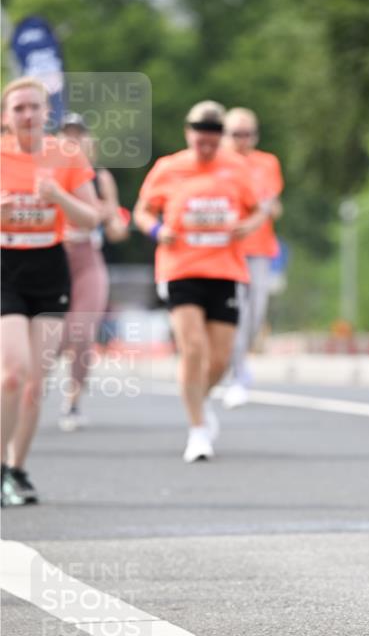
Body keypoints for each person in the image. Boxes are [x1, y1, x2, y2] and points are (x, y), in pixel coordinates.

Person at [133, 101, 265, 462]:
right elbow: (142, 210)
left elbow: (258, 210)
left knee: (220, 359)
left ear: (220, 138)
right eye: (198, 138)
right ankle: (197, 431)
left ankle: (200, 401)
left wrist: (247, 227)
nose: (204, 146)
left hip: (225, 270)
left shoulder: (237, 168)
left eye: (212, 140)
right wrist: (157, 230)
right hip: (180, 268)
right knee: (193, 348)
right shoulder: (169, 168)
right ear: (187, 134)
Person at [1, 78, 100, 506]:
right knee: (10, 373)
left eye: (33, 108)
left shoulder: (67, 155)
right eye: (18, 108)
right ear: (6, 116)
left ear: (47, 114)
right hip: (4, 267)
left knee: (35, 385)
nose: (26, 115)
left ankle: (16, 470)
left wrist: (59, 194)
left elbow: (93, 217)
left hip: (49, 269)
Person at [58, 113, 130, 430]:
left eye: (79, 135)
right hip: (53, 259)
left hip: (89, 259)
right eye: (67, 135)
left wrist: (110, 218)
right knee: (52, 338)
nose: (73, 141)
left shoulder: (100, 178)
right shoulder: (45, 175)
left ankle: (73, 401)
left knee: (83, 333)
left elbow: (116, 228)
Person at [221, 108, 283, 409]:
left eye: (247, 134)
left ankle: (238, 364)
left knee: (256, 313)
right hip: (226, 250)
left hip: (259, 249)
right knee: (238, 313)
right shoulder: (217, 163)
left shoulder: (266, 163)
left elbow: (269, 202)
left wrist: (254, 217)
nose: (241, 140)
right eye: (235, 134)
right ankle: (236, 373)